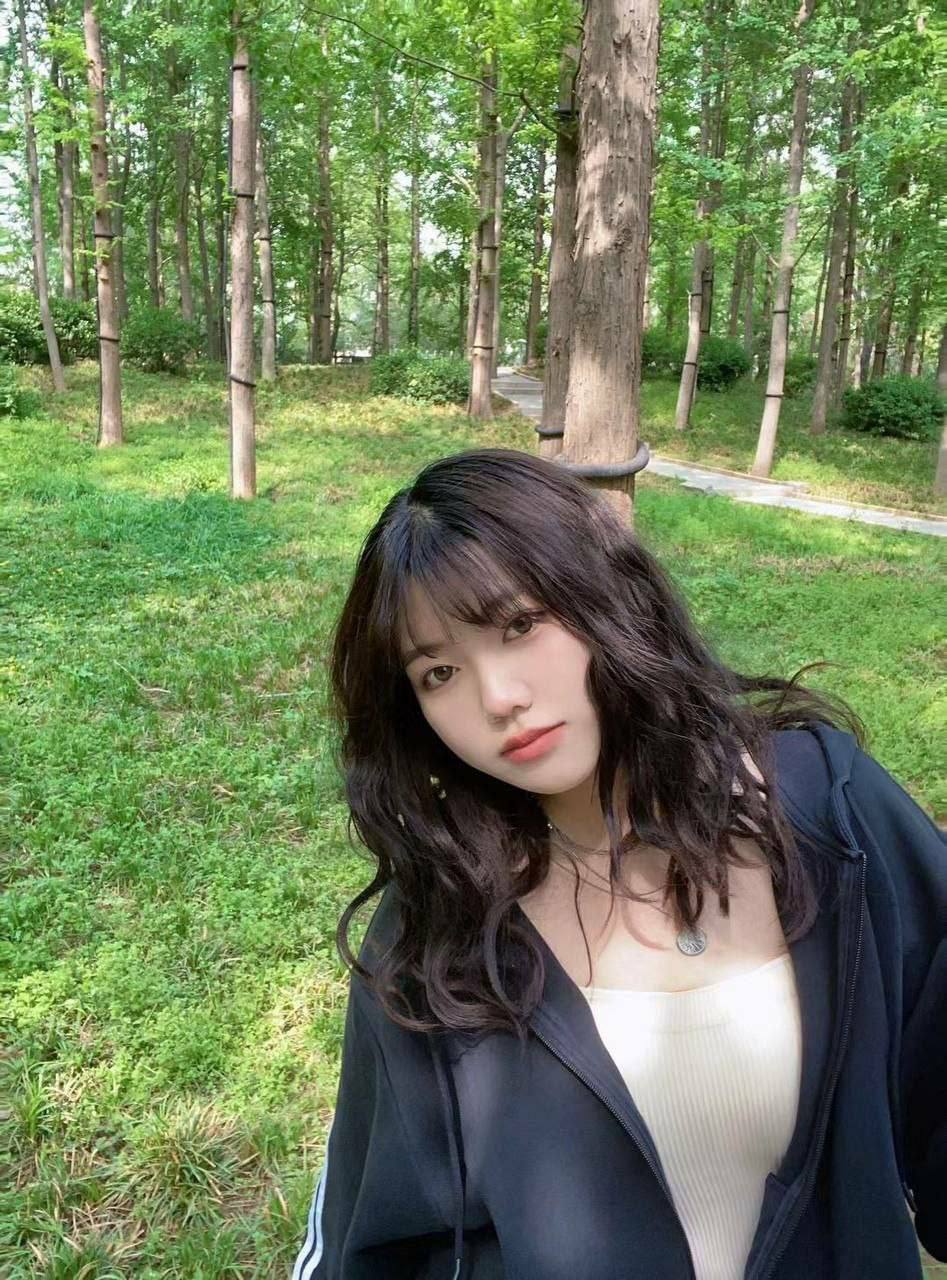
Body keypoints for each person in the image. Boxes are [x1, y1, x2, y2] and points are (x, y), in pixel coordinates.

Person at [291, 447, 946, 1280]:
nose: (498, 698)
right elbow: (372, 1236)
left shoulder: (829, 814)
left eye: (518, 625)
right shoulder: (437, 930)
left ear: (602, 594)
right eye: (439, 672)